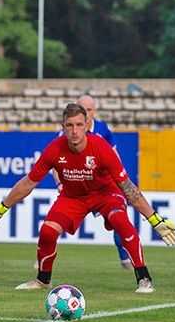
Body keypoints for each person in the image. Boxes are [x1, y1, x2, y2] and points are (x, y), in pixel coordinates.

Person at [0, 103, 175, 293]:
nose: (74, 130)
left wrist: (154, 219)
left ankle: (144, 280)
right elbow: (28, 183)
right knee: (48, 231)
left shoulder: (102, 148)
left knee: (120, 220)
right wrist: (1, 209)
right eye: (69, 125)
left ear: (87, 125)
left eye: (79, 125)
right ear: (63, 127)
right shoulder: (54, 149)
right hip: (73, 197)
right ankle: (43, 280)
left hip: (106, 193)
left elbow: (128, 189)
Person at [50, 94, 133, 270]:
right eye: (83, 109)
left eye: (89, 110)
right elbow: (55, 164)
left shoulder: (103, 129)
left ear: (94, 111)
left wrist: (120, 180)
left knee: (119, 218)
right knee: (56, 221)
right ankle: (44, 258)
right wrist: (60, 184)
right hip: (78, 188)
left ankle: (125, 256)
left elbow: (114, 156)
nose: (86, 113)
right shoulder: (68, 132)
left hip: (102, 188)